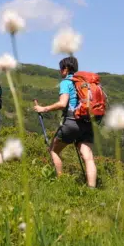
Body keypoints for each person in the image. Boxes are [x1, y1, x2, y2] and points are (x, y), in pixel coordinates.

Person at [34, 56, 97, 187]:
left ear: (66, 69)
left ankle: (60, 182)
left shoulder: (66, 83)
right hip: (87, 123)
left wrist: (43, 108)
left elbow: (63, 104)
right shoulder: (85, 83)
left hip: (72, 122)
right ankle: (91, 190)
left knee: (53, 150)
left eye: (61, 68)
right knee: (88, 157)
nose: (60, 71)